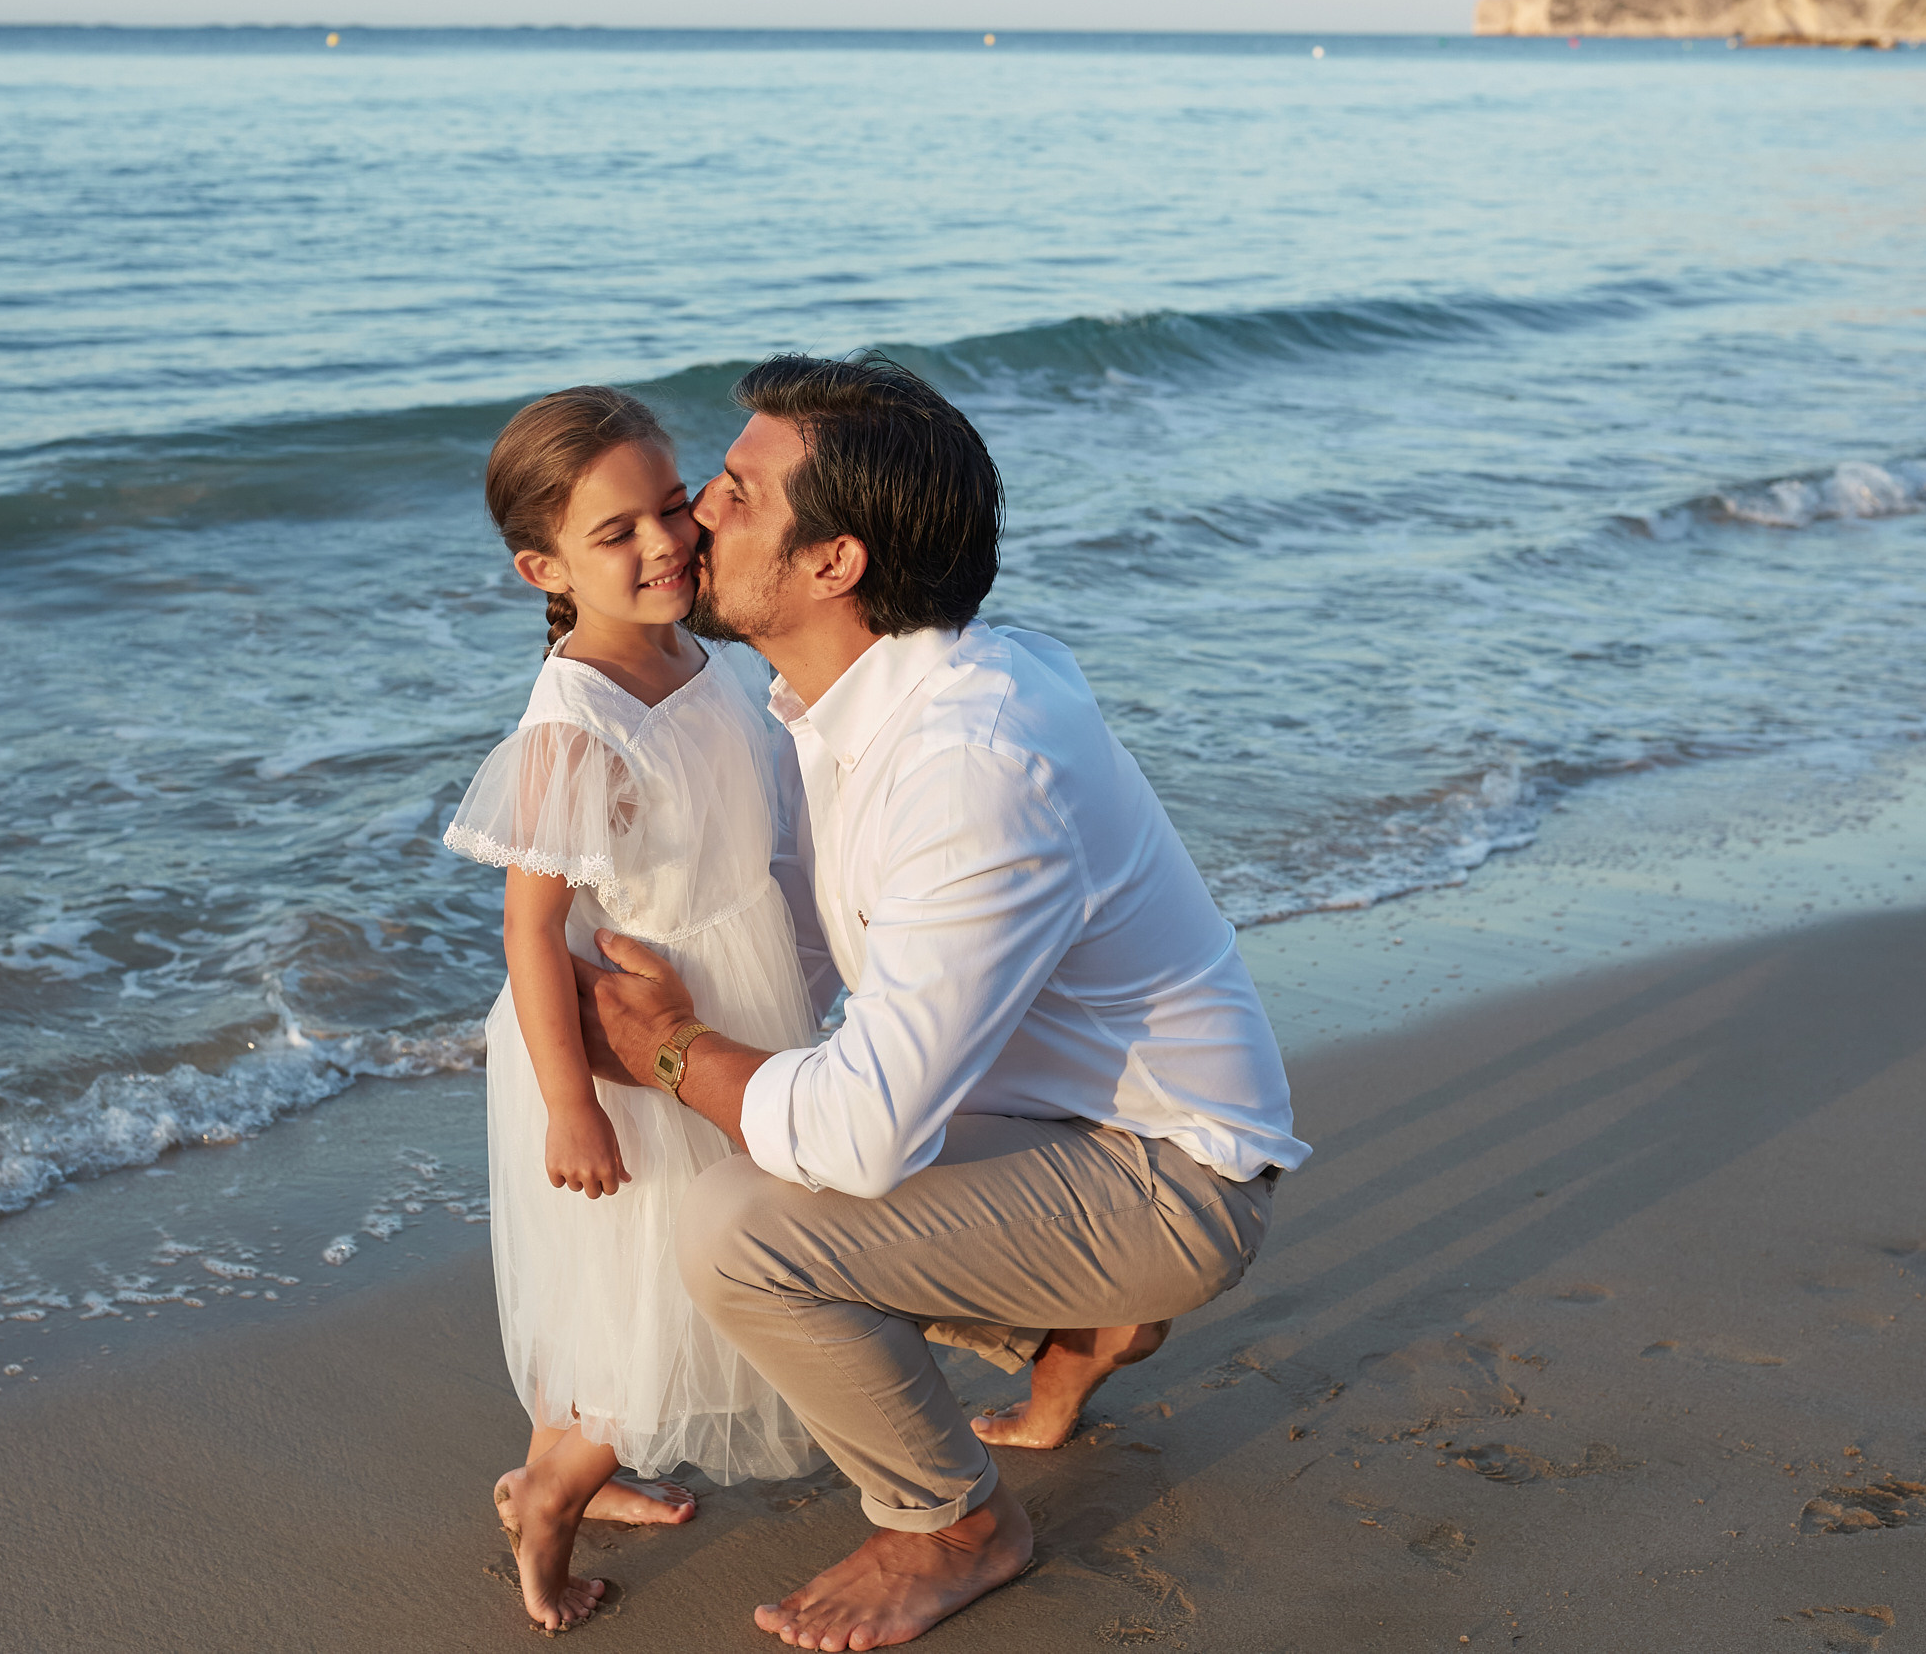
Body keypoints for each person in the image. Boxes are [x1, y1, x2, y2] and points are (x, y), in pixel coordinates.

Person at [571, 354, 1312, 1649]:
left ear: (834, 562)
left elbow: (857, 1134)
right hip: (1057, 1126)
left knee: (741, 1228)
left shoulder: (971, 759)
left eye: (735, 496)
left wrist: (672, 1045)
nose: (694, 522)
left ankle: (953, 1520)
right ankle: (1081, 1318)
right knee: (767, 1131)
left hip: (1168, 1176)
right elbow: (818, 976)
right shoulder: (846, 698)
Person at [441, 385, 822, 1633]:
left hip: (725, 990)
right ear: (541, 564)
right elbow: (528, 931)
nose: (664, 543)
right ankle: (545, 1504)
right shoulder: (573, 721)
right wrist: (568, 1106)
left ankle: (564, 1461)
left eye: (671, 508)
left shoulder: (692, 646)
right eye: (619, 533)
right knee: (652, 1307)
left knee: (638, 1294)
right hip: (619, 1055)